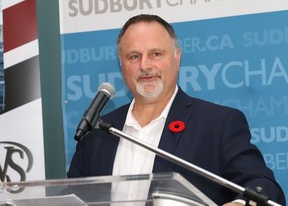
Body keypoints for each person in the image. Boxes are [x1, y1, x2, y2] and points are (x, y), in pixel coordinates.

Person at [67, 14, 286, 205]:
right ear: (122, 64)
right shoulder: (99, 132)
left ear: (177, 58)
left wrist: (239, 204)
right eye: (134, 56)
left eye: (155, 54)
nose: (145, 65)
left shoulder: (217, 124)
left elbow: (265, 188)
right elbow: (69, 198)